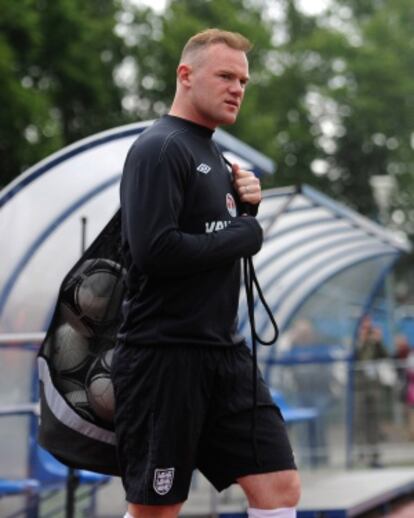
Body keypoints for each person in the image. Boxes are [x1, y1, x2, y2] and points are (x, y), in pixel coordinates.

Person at [111, 28, 300, 518]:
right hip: (164, 356)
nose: (238, 87)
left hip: (224, 351)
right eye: (225, 76)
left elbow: (215, 238)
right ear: (186, 75)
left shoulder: (216, 155)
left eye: (243, 80)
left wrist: (247, 215)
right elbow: (155, 251)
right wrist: (245, 234)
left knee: (279, 486)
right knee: (157, 508)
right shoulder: (159, 148)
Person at [353, 315, 388, 467]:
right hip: (360, 388)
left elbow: (385, 356)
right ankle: (361, 451)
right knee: (360, 420)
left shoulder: (375, 342)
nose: (367, 328)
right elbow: (353, 358)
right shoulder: (356, 342)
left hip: (373, 387)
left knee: (374, 420)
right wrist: (361, 341)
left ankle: (374, 453)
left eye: (369, 325)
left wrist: (378, 341)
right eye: (364, 326)